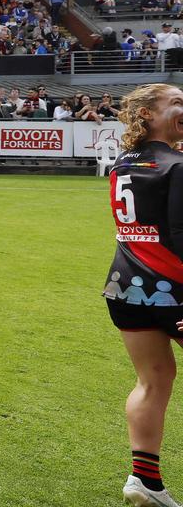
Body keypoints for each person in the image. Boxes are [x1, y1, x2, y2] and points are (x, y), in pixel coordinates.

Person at [103, 84, 183, 507]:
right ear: (148, 114)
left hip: (126, 288)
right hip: (174, 292)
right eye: (177, 103)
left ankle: (145, 481)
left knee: (153, 382)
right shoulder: (176, 165)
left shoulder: (122, 164)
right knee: (155, 381)